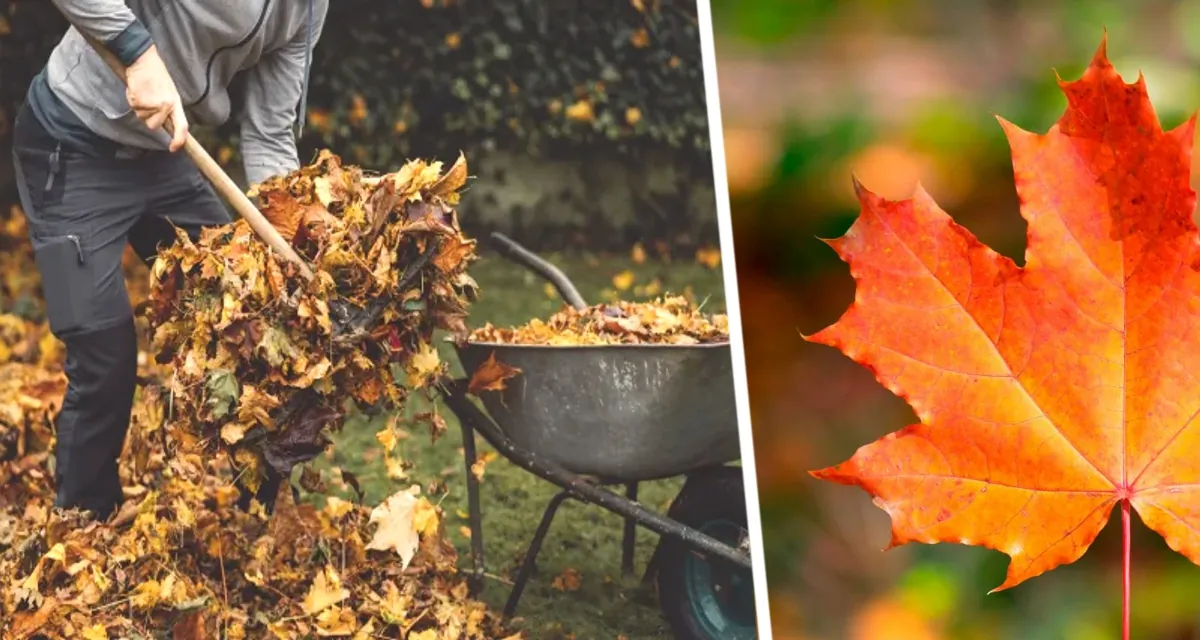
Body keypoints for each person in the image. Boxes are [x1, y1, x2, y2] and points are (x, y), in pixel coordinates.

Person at [11, 0, 329, 521]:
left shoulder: (309, 9)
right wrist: (137, 55)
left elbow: (270, 133)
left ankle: (259, 519)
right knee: (103, 352)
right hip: (66, 150)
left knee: (250, 316)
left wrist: (288, 238)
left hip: (166, 156)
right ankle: (83, 528)